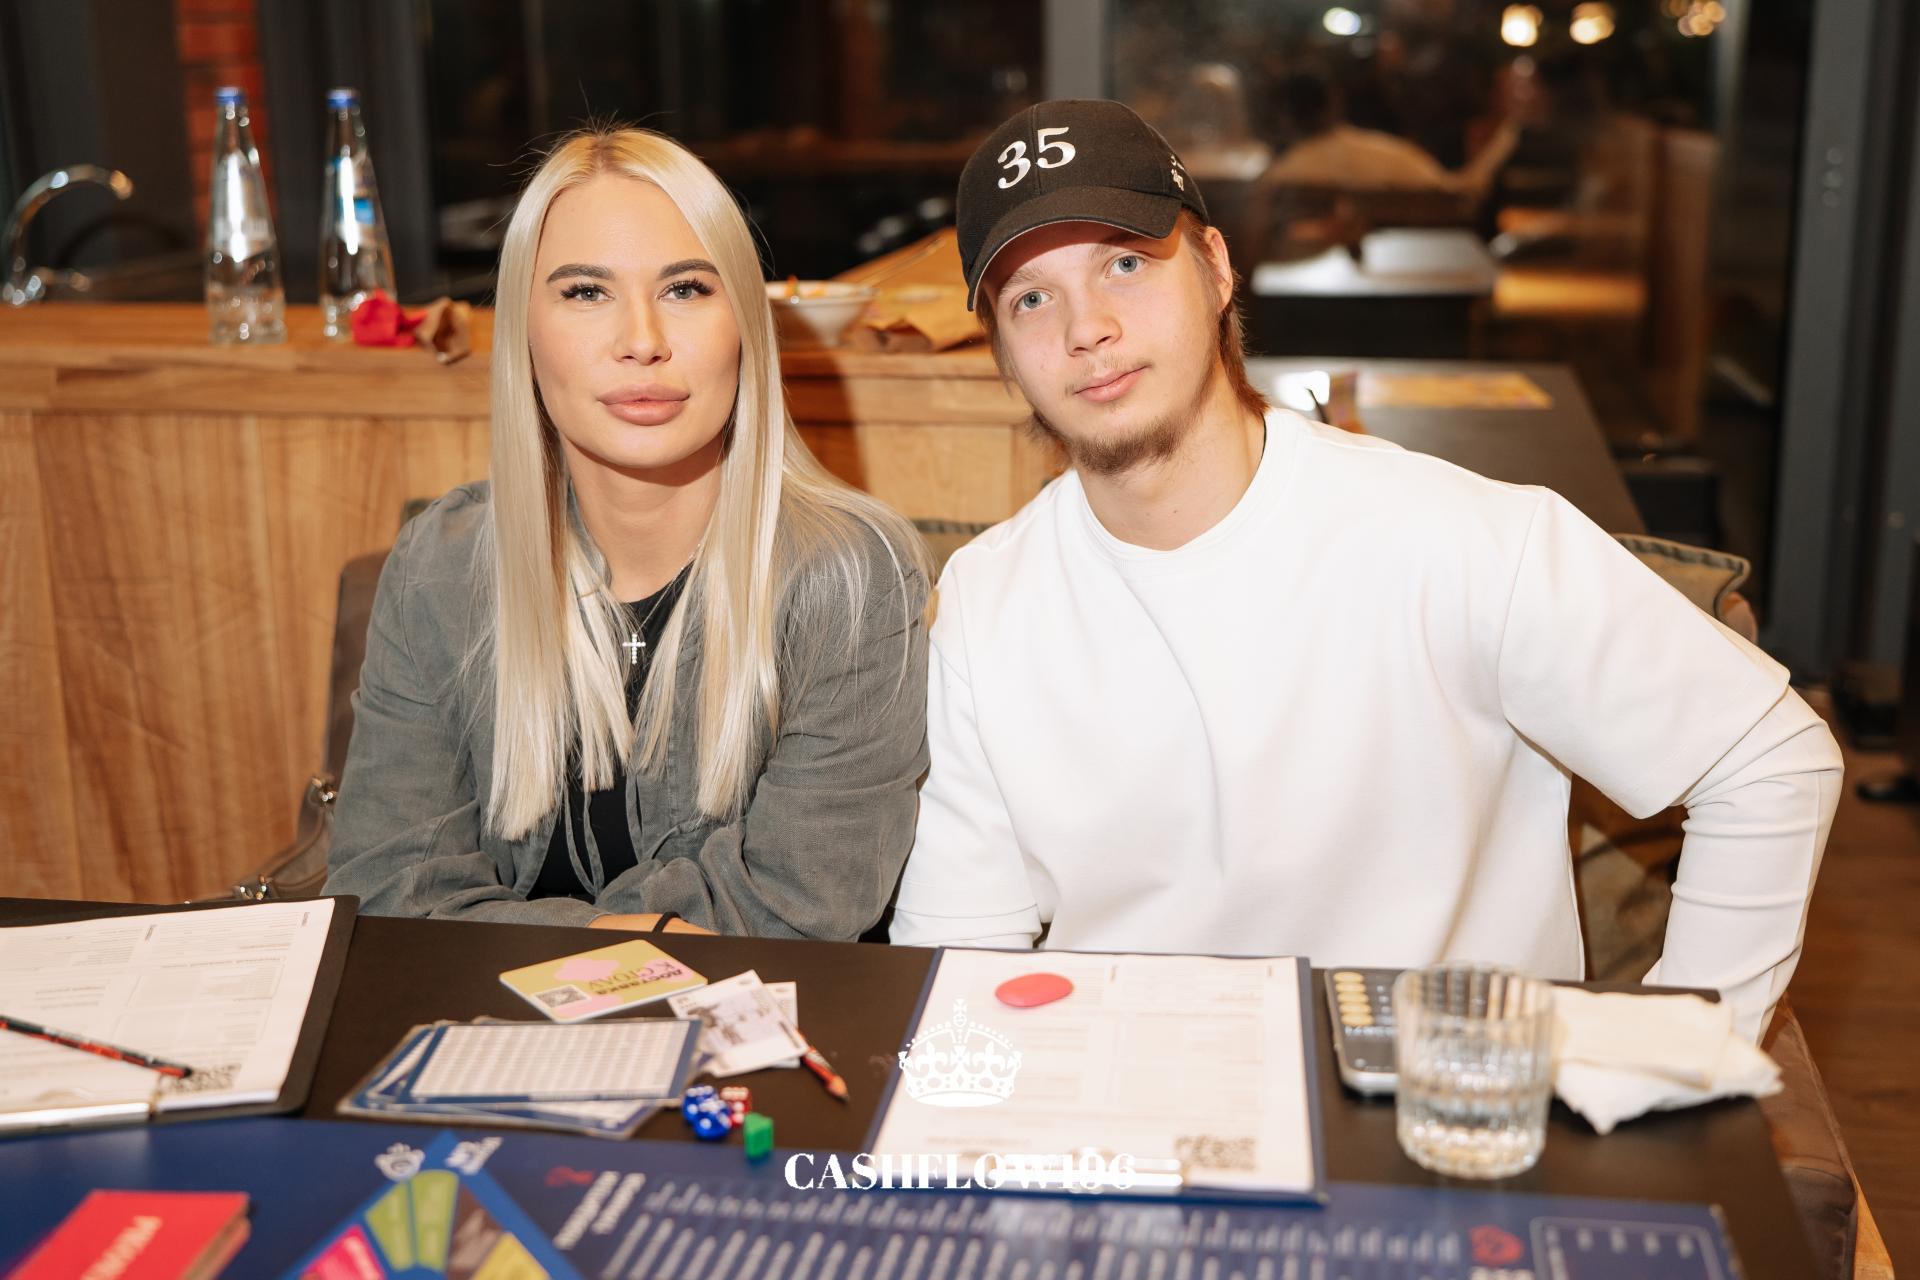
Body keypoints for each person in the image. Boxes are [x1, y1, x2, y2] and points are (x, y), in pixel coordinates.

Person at [890, 100, 1840, 1040]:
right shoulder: (984, 601)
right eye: (1030, 298)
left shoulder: (1459, 539)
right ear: (1002, 354)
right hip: (1135, 1095)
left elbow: (1769, 761)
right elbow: (960, 953)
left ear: (1216, 268)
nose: (1085, 327)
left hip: (1431, 1099)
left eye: (1125, 264)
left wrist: (1681, 1054)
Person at [325, 126, 930, 937]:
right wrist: (614, 946)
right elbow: (387, 890)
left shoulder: (848, 578)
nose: (642, 341)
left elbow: (800, 903)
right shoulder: (440, 566)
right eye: (585, 292)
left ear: (744, 324)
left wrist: (545, 946)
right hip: (483, 1015)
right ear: (524, 332)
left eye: (686, 289)